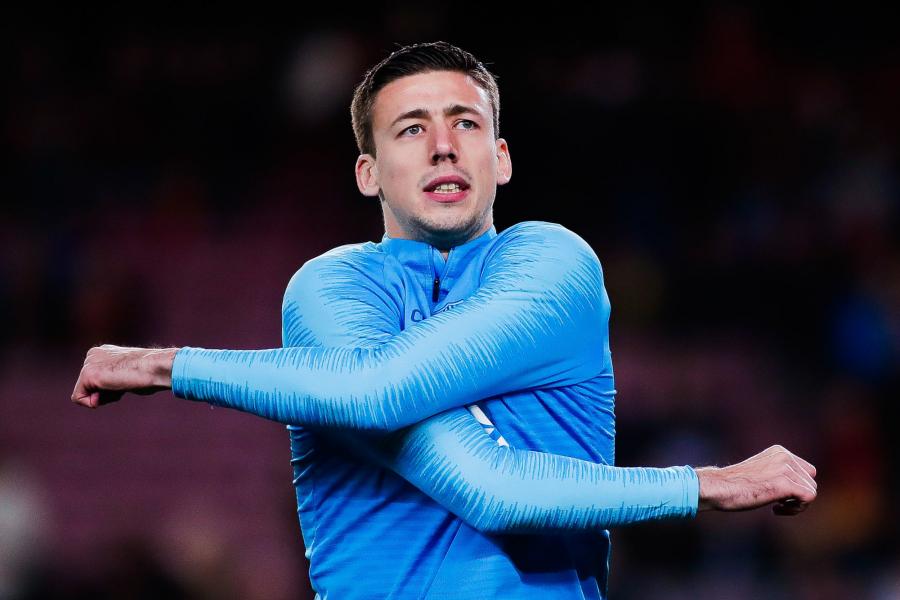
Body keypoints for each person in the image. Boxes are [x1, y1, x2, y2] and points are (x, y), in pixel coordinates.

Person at [72, 41, 817, 599]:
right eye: (410, 129)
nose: (442, 146)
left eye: (465, 123)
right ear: (368, 173)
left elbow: (449, 452)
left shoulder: (553, 265)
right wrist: (704, 484)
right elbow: (404, 415)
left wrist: (166, 366)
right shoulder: (329, 288)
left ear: (501, 158)